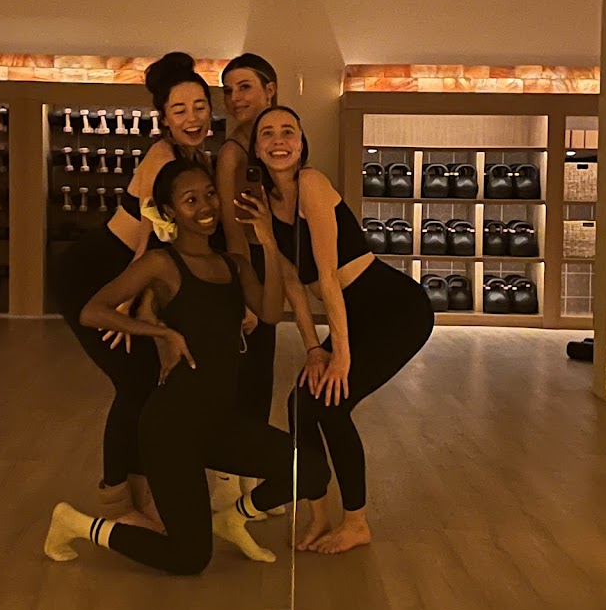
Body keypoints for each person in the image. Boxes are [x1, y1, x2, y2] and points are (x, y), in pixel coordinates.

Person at [44, 160, 330, 575]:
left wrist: (268, 241)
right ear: (170, 211)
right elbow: (93, 311)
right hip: (170, 430)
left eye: (210, 194)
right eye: (190, 200)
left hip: (218, 424)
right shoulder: (162, 264)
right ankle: (75, 524)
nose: (205, 206)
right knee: (190, 557)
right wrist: (161, 332)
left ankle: (232, 519)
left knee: (312, 471)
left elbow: (270, 313)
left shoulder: (233, 265)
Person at [249, 106, 434, 555]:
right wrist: (314, 350)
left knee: (331, 403)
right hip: (351, 315)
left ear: (302, 142)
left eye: (288, 132)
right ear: (256, 147)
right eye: (268, 134)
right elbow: (293, 283)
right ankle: (319, 515)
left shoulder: (311, 183)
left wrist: (342, 357)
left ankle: (356, 522)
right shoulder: (268, 203)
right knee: (301, 403)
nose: (278, 141)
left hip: (393, 309)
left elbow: (327, 276)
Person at [50, 52, 213, 523]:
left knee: (147, 381)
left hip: (123, 272)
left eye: (199, 106)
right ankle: (117, 501)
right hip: (95, 274)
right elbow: (148, 240)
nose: (192, 117)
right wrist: (125, 304)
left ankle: (138, 496)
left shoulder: (193, 158)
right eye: (179, 110)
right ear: (163, 117)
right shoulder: (163, 157)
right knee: (135, 382)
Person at [216, 53, 278, 426]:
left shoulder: (277, 143)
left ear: (270, 90)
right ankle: (240, 455)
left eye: (244, 87)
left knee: (260, 372)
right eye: (228, 91)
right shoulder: (232, 152)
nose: (235, 98)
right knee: (250, 374)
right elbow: (233, 228)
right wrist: (245, 296)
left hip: (271, 260)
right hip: (249, 265)